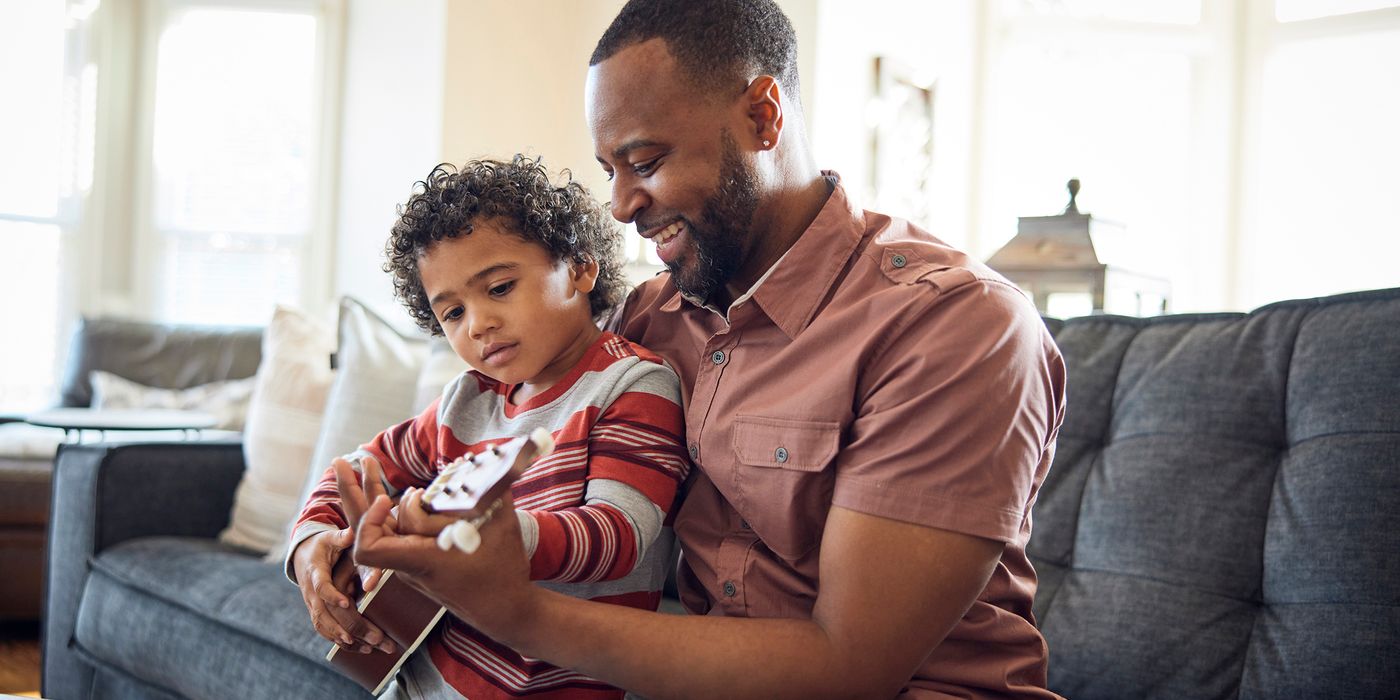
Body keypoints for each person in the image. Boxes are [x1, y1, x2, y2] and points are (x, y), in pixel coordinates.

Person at [353, 1, 1068, 697]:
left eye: (646, 160)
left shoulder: (956, 326)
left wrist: (520, 613)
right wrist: (340, 542)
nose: (622, 205)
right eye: (610, 170)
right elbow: (481, 448)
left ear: (763, 115)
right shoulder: (649, 321)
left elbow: (850, 665)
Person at [287, 155, 690, 699]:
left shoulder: (633, 384)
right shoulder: (466, 399)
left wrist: (498, 536)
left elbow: (620, 534)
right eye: (452, 313)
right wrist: (311, 544)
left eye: (499, 287)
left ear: (580, 267)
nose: (478, 324)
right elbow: (357, 470)